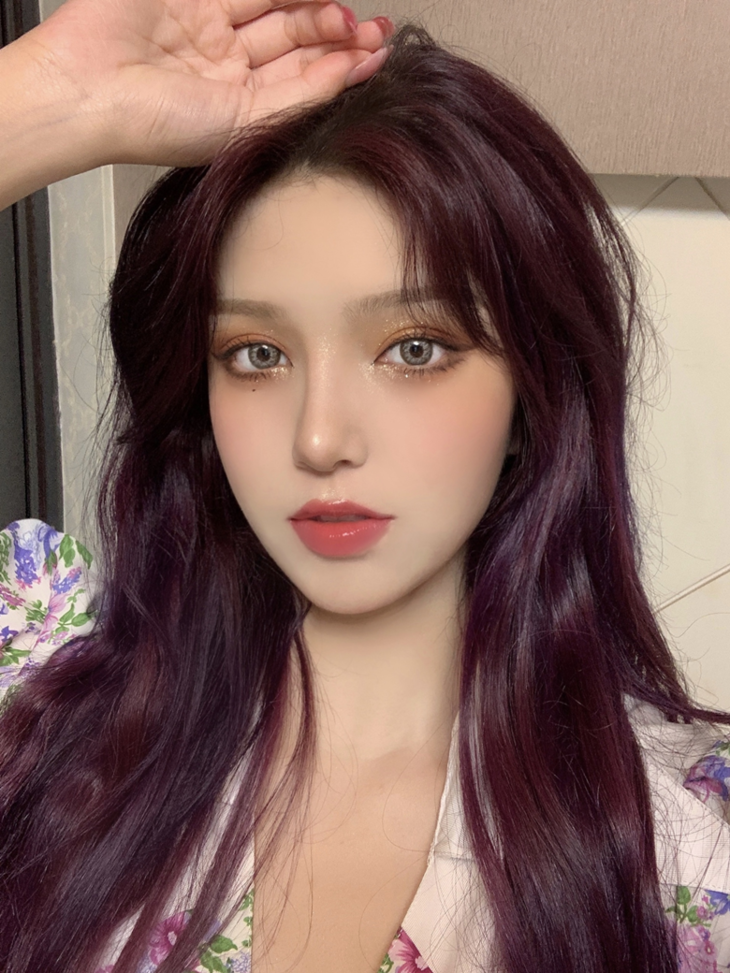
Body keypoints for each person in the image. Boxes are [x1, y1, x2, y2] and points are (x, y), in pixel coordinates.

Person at [0, 4, 729, 973]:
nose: (319, 438)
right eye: (256, 353)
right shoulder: (39, 709)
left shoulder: (685, 847)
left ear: (533, 391)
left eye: (413, 348)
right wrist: (46, 102)